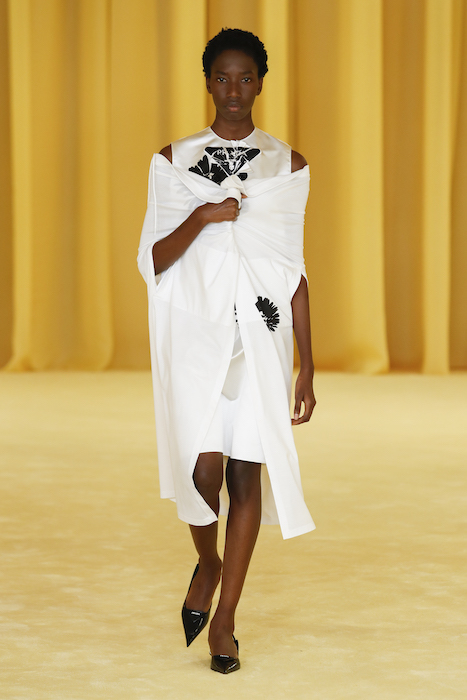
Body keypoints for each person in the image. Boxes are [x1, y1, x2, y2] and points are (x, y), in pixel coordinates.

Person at [138, 28, 316, 674]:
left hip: (259, 339)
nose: (233, 89)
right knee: (203, 474)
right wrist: (203, 217)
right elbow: (154, 259)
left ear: (260, 83)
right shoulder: (172, 162)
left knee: (246, 475)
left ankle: (226, 620)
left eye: (245, 77)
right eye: (222, 77)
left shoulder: (286, 166)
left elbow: (292, 271)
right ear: (208, 82)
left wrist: (307, 364)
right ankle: (207, 564)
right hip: (196, 336)